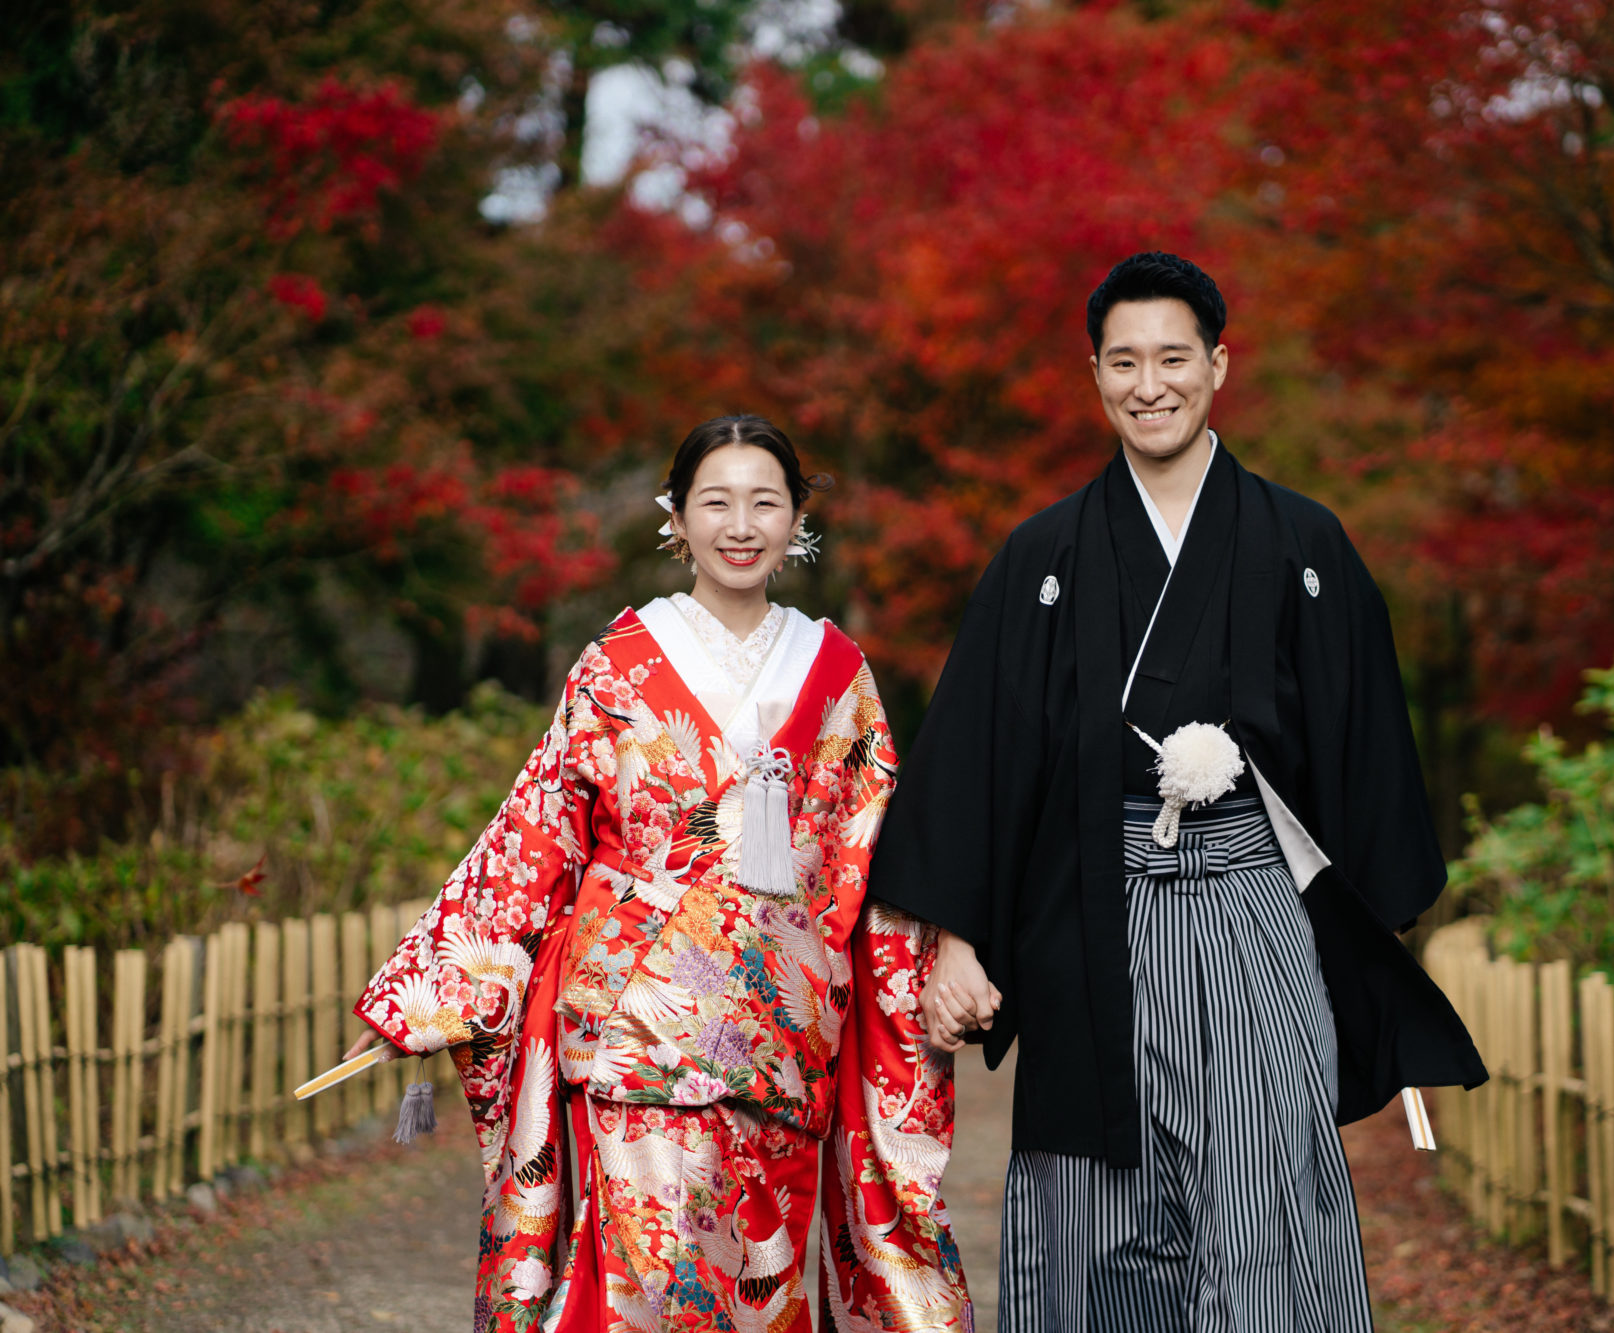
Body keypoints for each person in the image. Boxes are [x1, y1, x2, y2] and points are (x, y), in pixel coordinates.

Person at [867, 253, 1488, 1332]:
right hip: (1086, 914)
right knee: (1091, 1207)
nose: (1147, 384)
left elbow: (1368, 748)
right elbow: (977, 754)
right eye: (1122, 362)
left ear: (1217, 363)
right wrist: (959, 942)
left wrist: (1363, 932)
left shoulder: (1303, 544)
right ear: (1094, 374)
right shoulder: (1042, 557)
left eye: (1171, 357)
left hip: (1254, 902)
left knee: (1264, 1190)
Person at [347, 415, 972, 1333]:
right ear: (676, 517)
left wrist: (944, 953)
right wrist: (429, 994)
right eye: (715, 501)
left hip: (781, 1027)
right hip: (632, 1020)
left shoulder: (841, 675)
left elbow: (876, 853)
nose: (741, 523)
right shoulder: (617, 663)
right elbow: (538, 832)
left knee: (762, 1280)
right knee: (644, 1277)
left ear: (798, 515)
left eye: (765, 500)